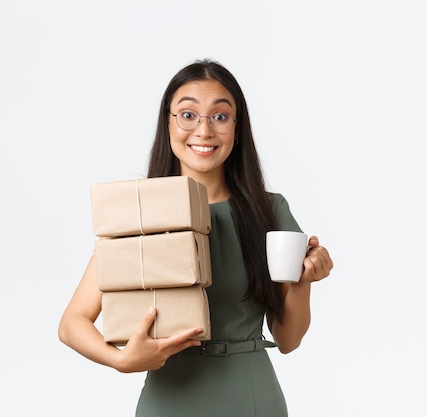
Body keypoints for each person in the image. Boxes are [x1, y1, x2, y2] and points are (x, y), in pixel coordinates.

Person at [58, 58, 334, 416]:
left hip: (251, 397)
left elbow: (289, 340)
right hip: (170, 398)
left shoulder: (269, 211)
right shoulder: (140, 210)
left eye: (220, 116)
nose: (203, 130)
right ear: (168, 124)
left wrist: (303, 280)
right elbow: (72, 323)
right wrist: (121, 360)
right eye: (188, 115)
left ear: (237, 129)